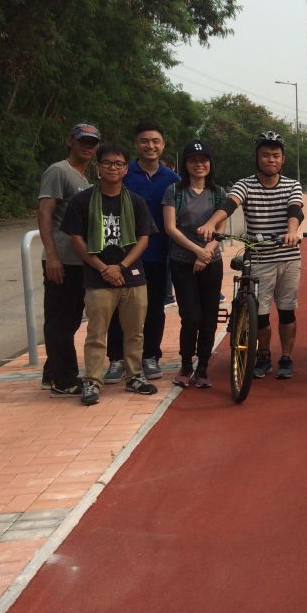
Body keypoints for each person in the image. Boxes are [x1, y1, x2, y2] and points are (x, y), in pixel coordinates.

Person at [198, 131, 303, 378]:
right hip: (259, 257)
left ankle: (286, 357)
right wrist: (211, 223)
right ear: (256, 157)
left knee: (287, 310)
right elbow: (229, 205)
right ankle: (263, 354)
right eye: (265, 155)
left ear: (283, 159)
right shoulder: (244, 184)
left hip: (287, 256)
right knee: (261, 314)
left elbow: (295, 210)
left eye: (275, 155)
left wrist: (291, 232)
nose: (270, 160)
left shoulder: (292, 185)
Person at [60, 143, 157, 406]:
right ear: (98, 167)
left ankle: (134, 376)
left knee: (135, 332)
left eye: (119, 164)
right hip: (97, 278)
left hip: (132, 276)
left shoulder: (135, 201)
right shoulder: (82, 201)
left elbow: (144, 239)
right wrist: (104, 268)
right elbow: (77, 240)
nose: (113, 168)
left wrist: (121, 266)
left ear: (126, 169)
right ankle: (92, 380)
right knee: (96, 333)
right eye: (107, 163)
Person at [102, 122, 178, 384]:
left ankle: (150, 356)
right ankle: (117, 358)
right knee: (118, 309)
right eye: (145, 141)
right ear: (136, 144)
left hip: (157, 254)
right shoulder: (124, 174)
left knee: (155, 307)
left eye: (155, 141)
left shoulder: (172, 180)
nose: (150, 146)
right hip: (122, 255)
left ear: (163, 145)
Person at [38, 124, 99, 397]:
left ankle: (52, 372)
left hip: (78, 260)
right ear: (70, 141)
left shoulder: (84, 177)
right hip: (61, 260)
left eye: (92, 143)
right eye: (83, 141)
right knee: (60, 320)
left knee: (70, 320)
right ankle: (63, 380)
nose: (88, 147)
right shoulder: (58, 171)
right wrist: (52, 255)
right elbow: (45, 213)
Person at [162, 142, 226, 389]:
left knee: (209, 317)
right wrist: (197, 251)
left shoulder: (218, 192)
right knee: (191, 316)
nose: (199, 164)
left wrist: (206, 252)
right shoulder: (174, 192)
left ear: (210, 163)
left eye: (204, 160)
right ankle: (186, 364)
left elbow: (221, 227)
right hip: (182, 262)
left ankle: (203, 367)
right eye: (193, 160)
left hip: (212, 261)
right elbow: (170, 228)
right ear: (185, 164)